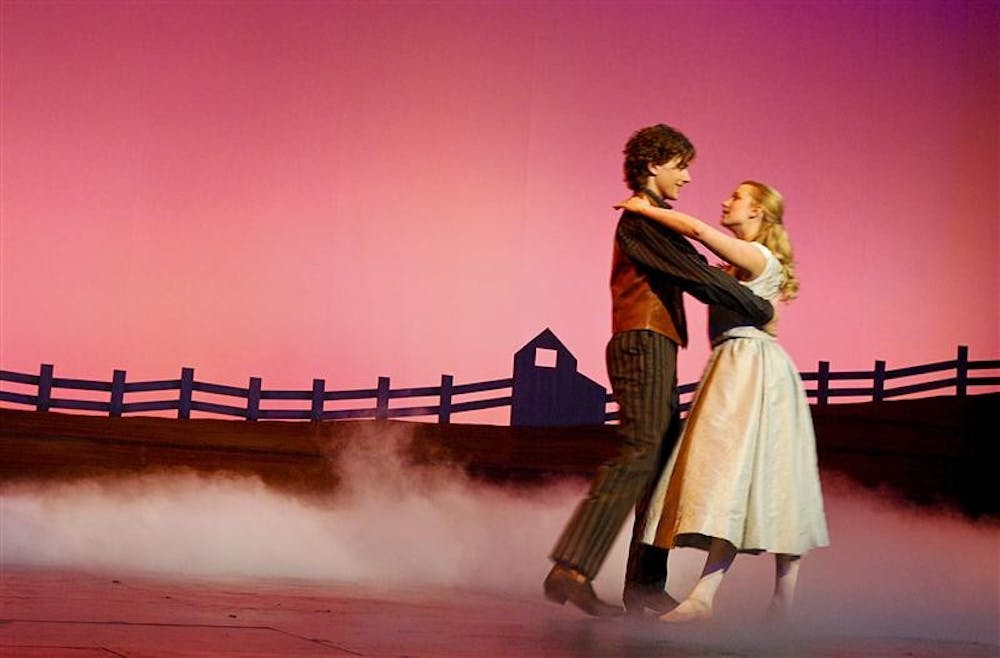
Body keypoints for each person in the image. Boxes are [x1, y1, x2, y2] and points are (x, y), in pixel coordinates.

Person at [543, 125, 775, 618]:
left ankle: (645, 585)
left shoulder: (655, 220)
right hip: (641, 343)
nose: (687, 177)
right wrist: (756, 305)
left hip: (657, 345)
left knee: (661, 464)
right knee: (642, 452)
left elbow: (699, 267)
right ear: (654, 166)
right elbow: (696, 274)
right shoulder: (643, 221)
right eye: (680, 166)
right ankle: (572, 566)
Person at [617, 181, 829, 622]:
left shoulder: (757, 256)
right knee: (733, 480)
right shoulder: (733, 268)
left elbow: (696, 229)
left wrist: (644, 209)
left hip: (754, 373)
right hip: (733, 367)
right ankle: (714, 597)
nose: (725, 202)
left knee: (755, 479)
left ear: (757, 214)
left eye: (737, 198)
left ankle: (744, 601)